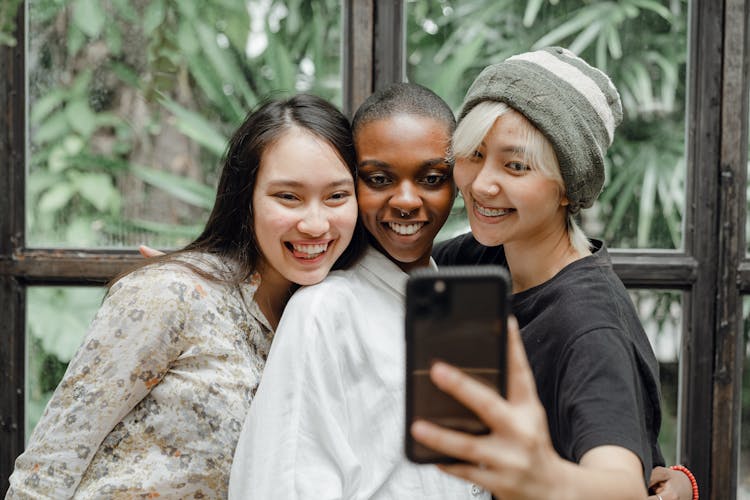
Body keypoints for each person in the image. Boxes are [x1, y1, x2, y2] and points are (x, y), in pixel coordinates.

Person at [6, 94, 366, 499]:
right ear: (245, 199)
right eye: (288, 197)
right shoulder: (172, 294)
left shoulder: (321, 323)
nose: (316, 224)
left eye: (336, 196)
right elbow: (45, 470)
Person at [410, 47, 696, 499]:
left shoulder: (589, 325)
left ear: (568, 187)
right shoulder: (481, 257)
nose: (482, 184)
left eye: (516, 165)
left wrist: (544, 478)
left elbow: (619, 484)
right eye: (475, 154)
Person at [227, 82, 491, 499]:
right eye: (380, 178)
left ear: (456, 183)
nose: (406, 200)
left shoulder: (453, 303)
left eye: (432, 178)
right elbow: (285, 486)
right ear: (353, 186)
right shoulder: (323, 310)